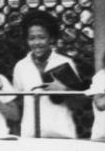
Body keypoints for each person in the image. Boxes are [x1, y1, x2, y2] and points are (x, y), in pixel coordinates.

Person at [11, 9, 85, 139]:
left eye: (42, 37)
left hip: (62, 135)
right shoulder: (21, 66)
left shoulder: (65, 62)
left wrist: (64, 90)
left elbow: (79, 104)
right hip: (31, 136)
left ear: (51, 38)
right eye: (32, 38)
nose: (37, 43)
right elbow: (18, 103)